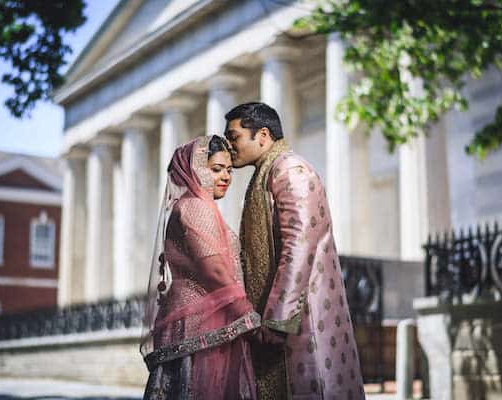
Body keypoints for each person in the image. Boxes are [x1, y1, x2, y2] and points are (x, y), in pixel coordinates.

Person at [224, 102, 366, 400]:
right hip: (275, 319)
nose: (229, 146)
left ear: (262, 135)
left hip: (301, 318)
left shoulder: (291, 170)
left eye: (234, 137)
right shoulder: (267, 172)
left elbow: (299, 246)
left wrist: (277, 319)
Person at [141, 135, 260, 400]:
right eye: (216, 169)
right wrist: (248, 314)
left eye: (229, 170)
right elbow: (214, 270)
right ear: (194, 170)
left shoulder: (188, 205)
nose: (226, 177)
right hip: (204, 322)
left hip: (193, 319)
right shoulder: (195, 206)